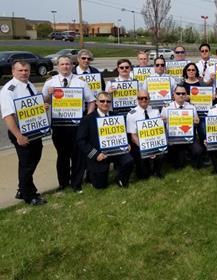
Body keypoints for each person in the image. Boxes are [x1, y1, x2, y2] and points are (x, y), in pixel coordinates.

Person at [42, 55, 96, 192]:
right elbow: (43, 103)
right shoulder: (50, 83)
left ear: (72, 66)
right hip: (59, 126)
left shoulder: (81, 82)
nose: (65, 66)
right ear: (58, 66)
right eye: (62, 64)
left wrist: (88, 118)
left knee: (77, 155)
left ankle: (76, 183)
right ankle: (63, 183)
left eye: (68, 64)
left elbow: (91, 101)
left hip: (77, 125)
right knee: (62, 155)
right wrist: (48, 95)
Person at [0, 61, 48, 205]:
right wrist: (18, 136)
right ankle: (29, 195)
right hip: (21, 133)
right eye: (20, 70)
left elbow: (32, 107)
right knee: (27, 163)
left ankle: (22, 189)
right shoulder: (9, 90)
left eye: (26, 70)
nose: (23, 73)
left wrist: (41, 107)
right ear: (13, 71)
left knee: (33, 159)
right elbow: (8, 116)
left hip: (34, 131)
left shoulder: (30, 85)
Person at [76, 92, 134, 189]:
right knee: (100, 186)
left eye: (108, 101)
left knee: (129, 161)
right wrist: (95, 154)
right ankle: (91, 174)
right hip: (99, 154)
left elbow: (123, 134)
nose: (105, 103)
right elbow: (81, 141)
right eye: (102, 101)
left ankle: (120, 179)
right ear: (96, 103)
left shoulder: (117, 116)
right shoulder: (87, 119)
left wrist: (127, 144)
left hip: (116, 151)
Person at [160, 85, 203, 169]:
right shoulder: (166, 107)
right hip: (174, 139)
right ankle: (178, 157)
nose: (181, 95)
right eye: (178, 93)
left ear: (186, 95)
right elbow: (161, 124)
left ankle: (193, 161)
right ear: (174, 95)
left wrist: (196, 121)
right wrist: (163, 120)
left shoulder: (191, 107)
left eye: (183, 93)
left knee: (198, 150)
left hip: (188, 137)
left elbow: (196, 122)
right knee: (178, 165)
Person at [126, 90, 163, 179]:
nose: (143, 100)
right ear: (137, 99)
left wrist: (155, 145)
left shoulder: (155, 111)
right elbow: (133, 136)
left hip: (154, 140)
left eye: (145, 98)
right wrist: (146, 148)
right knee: (143, 176)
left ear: (149, 99)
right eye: (140, 98)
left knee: (162, 151)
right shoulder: (131, 114)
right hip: (138, 143)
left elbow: (159, 130)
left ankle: (156, 171)